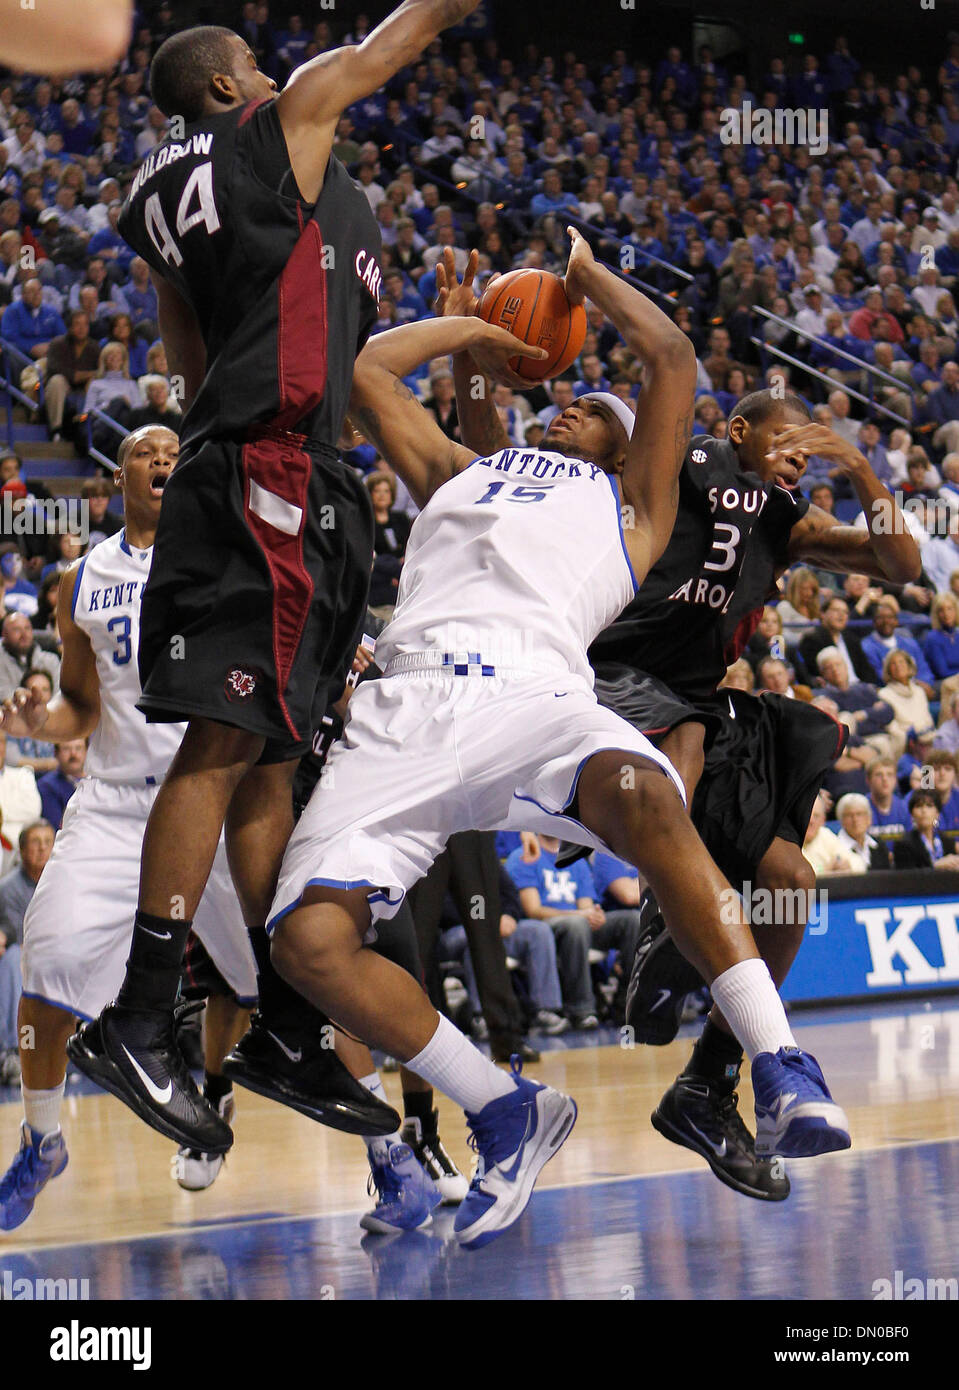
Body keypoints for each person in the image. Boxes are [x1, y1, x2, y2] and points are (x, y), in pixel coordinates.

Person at [263, 232, 851, 1251]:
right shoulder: (456, 470)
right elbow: (363, 369)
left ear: (632, 450)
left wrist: (583, 279)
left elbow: (671, 359)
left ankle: (774, 1060)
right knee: (307, 943)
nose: (571, 408)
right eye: (567, 401)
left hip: (533, 695)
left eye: (594, 413)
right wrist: (476, 331)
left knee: (642, 786)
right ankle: (503, 1107)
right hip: (400, 713)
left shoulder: (633, 508)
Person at [68, 5, 492, 1158]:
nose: (269, 75)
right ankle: (147, 1020)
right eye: (250, 67)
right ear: (219, 87)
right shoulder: (264, 127)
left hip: (257, 456)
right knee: (223, 743)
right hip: (270, 468)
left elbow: (188, 357)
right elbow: (380, 50)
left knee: (267, 756)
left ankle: (285, 1025)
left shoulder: (151, 205)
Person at [444, 248, 914, 1203]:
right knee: (688, 740)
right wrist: (481, 357)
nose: (795, 457)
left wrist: (863, 469)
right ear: (730, 430)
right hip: (609, 682)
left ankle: (709, 1083)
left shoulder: (780, 514)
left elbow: (900, 562)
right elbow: (498, 448)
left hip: (694, 699)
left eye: (802, 449)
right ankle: (666, 916)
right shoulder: (644, 477)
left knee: (786, 883)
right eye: (785, 442)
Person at [0, 427, 261, 1232]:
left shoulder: (223, 555)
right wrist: (43, 723)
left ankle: (218, 1093)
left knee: (274, 979)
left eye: (176, 454)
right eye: (148, 452)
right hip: (115, 803)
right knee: (46, 967)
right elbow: (83, 703)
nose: (162, 462)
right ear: (120, 476)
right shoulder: (81, 580)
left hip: (213, 797)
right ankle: (43, 1140)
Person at [892, 789, 959, 869]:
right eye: (919, 806)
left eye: (929, 805)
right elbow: (907, 877)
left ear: (937, 813)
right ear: (912, 814)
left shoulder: (948, 842)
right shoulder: (903, 844)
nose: (924, 810)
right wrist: (935, 866)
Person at [36, 738, 85, 829]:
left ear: (86, 751)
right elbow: (57, 828)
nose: (73, 754)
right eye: (66, 749)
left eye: (78, 748)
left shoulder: (96, 782)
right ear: (56, 753)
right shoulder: (47, 786)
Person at [834, 793, 890, 872]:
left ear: (869, 819)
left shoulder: (879, 846)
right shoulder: (834, 847)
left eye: (859, 814)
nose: (855, 820)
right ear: (841, 820)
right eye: (849, 815)